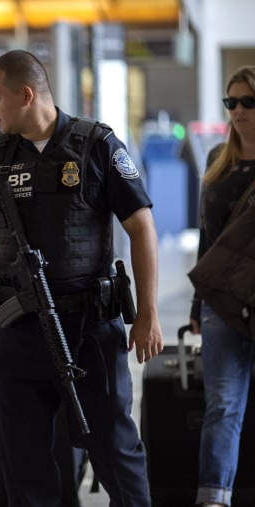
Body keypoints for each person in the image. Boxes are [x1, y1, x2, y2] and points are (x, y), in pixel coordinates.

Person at [0, 49, 163, 506]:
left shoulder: (96, 145)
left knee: (114, 449)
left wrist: (147, 312)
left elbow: (141, 225)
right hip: (12, 329)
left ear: (25, 95)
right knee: (23, 460)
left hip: (87, 326)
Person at [189, 65, 255, 507]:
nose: (238, 111)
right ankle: (214, 498)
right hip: (220, 303)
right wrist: (197, 307)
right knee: (223, 407)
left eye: (248, 101)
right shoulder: (217, 159)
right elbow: (207, 240)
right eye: (231, 102)